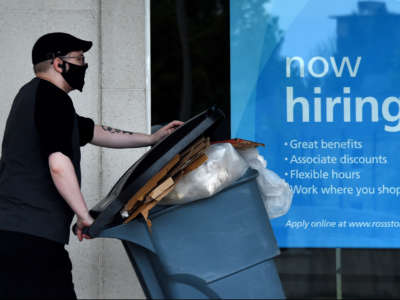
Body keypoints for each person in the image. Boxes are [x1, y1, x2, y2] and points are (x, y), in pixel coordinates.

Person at [0, 32, 183, 299]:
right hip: (31, 240)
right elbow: (58, 164)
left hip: (17, 235)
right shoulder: (52, 98)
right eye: (79, 59)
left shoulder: (33, 96)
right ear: (58, 63)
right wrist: (84, 215)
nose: (84, 66)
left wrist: (152, 139)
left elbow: (96, 132)